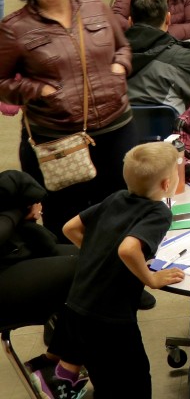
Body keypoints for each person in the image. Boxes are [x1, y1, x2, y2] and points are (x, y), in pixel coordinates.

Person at [0, 0, 135, 240]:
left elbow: (123, 46)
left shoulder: (95, 6)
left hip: (116, 129)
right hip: (59, 140)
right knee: (66, 223)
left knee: (119, 213)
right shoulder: (15, 28)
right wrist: (38, 90)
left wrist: (120, 67)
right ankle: (73, 279)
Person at [34, 143, 184, 399]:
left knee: (102, 373)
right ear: (166, 183)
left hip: (77, 304)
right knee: (133, 381)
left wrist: (98, 252)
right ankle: (60, 381)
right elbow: (128, 249)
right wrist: (151, 279)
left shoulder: (116, 198)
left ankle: (65, 376)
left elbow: (70, 228)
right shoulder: (159, 212)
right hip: (110, 318)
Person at [3, 169, 83, 395]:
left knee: (94, 257)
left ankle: (56, 359)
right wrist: (20, 210)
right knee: (88, 270)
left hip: (13, 257)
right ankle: (64, 372)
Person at [125, 0, 190, 114]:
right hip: (171, 132)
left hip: (119, 132)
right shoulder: (182, 59)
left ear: (130, 21)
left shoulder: (110, 57)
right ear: (168, 19)